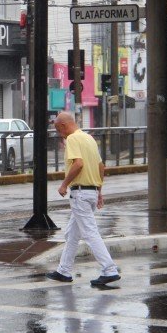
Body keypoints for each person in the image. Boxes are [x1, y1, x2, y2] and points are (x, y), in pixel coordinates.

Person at [45, 111, 120, 286]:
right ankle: (63, 271)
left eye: (58, 130)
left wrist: (64, 184)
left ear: (63, 125)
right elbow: (101, 167)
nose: (59, 134)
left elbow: (78, 164)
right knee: (72, 234)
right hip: (91, 192)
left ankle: (109, 269)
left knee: (90, 232)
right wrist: (99, 191)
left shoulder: (72, 139)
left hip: (80, 193)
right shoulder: (89, 138)